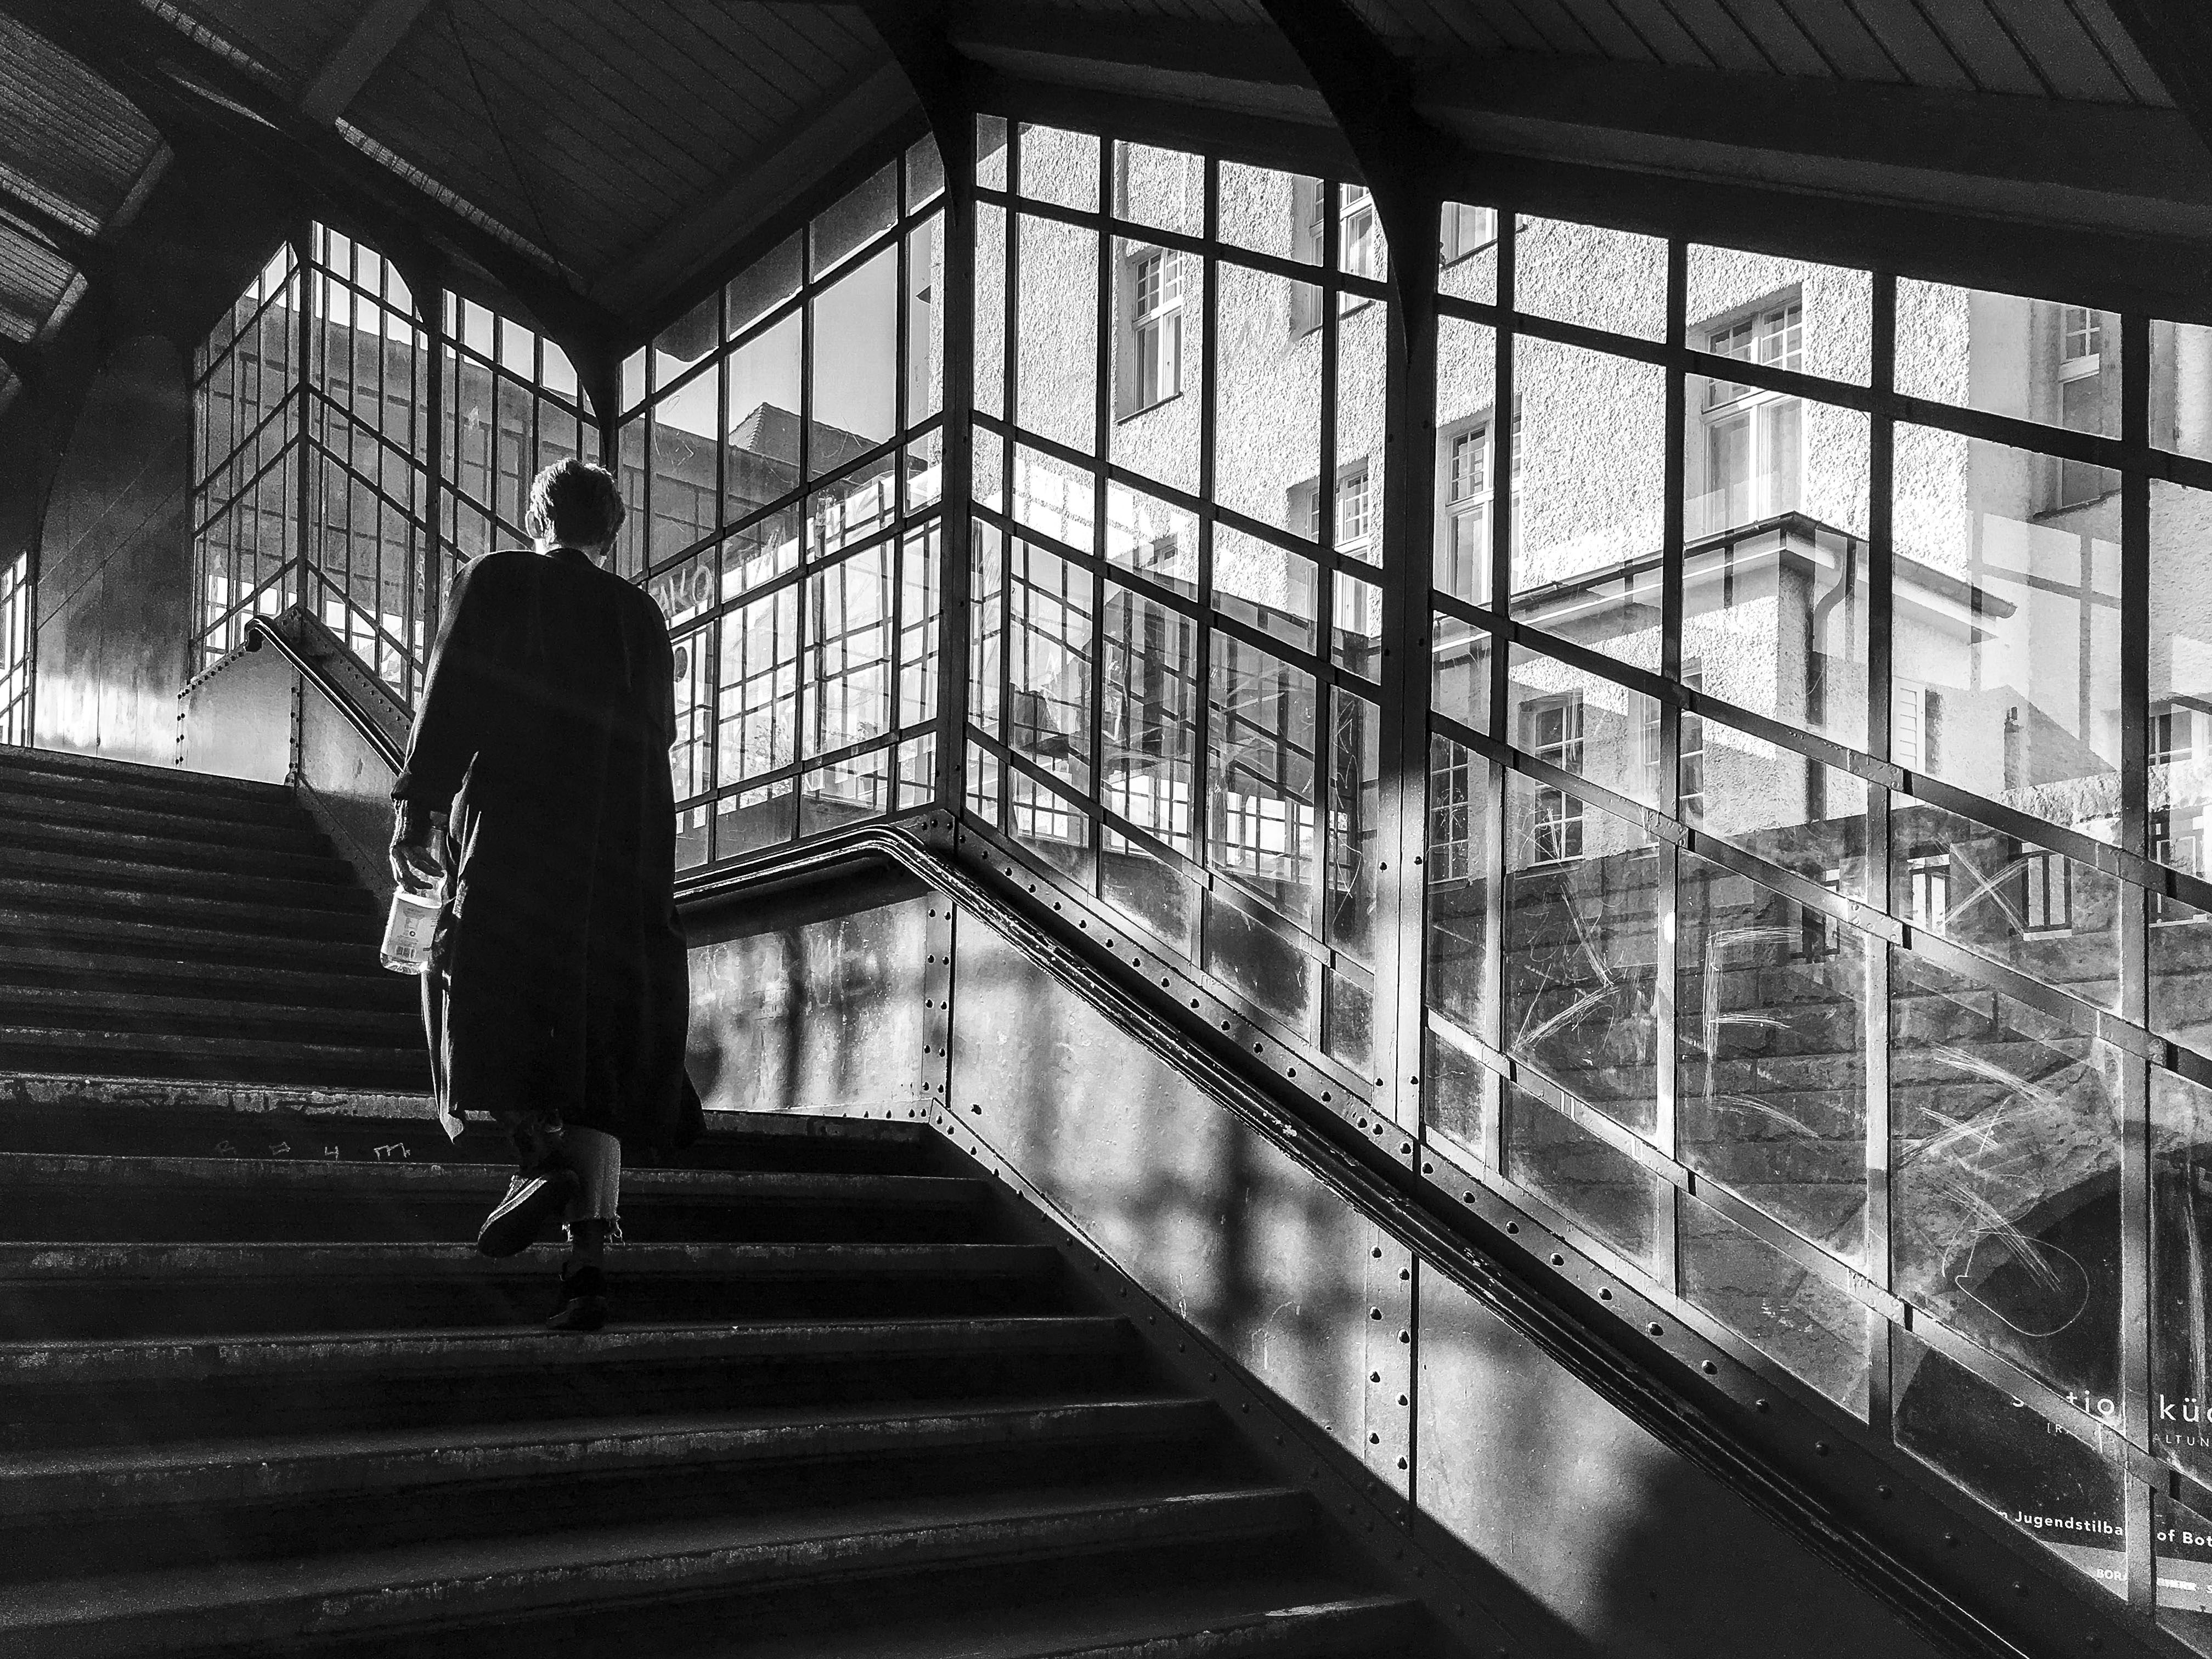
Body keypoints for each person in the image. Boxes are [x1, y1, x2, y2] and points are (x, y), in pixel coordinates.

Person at [388, 459, 700, 1332]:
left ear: (538, 518)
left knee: (476, 994)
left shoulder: (499, 579)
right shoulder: (642, 616)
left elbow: (451, 694)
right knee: (596, 1054)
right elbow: (658, 741)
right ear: (612, 532)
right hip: (624, 860)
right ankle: (587, 1270)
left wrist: (417, 808)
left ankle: (537, 1156)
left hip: (520, 842)